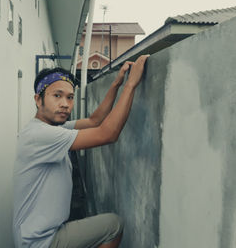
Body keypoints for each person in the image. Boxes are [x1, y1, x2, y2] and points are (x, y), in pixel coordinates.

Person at [13, 55, 150, 248]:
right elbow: (107, 133)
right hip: (41, 242)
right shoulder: (41, 135)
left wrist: (116, 84)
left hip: (39, 234)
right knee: (114, 225)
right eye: (57, 96)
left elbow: (95, 121)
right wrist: (131, 85)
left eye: (70, 97)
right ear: (38, 99)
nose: (65, 104)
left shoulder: (52, 128)